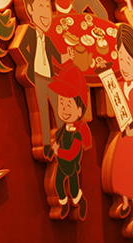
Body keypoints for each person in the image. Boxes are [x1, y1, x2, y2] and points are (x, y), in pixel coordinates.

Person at [102, 24, 133, 238]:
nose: (124, 65)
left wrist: (131, 132)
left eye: (129, 61)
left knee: (131, 177)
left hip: (130, 140)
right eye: (121, 59)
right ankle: (123, 203)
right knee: (118, 173)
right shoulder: (120, 85)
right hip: (121, 138)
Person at [14, 0, 72, 160]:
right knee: (42, 114)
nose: (46, 12)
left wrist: (68, 56)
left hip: (50, 78)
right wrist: (28, 65)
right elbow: (18, 47)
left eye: (48, 6)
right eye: (41, 5)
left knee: (58, 109)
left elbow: (57, 57)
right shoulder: (28, 34)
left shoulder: (48, 39)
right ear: (29, 9)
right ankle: (46, 144)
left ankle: (61, 140)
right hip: (37, 79)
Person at [49, 63, 90, 221]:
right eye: (61, 103)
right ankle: (63, 204)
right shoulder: (61, 130)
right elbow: (56, 142)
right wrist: (52, 150)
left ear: (79, 110)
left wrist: (58, 151)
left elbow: (72, 153)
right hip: (61, 166)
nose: (64, 108)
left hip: (71, 168)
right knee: (58, 185)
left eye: (69, 104)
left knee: (74, 190)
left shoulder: (77, 135)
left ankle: (80, 201)